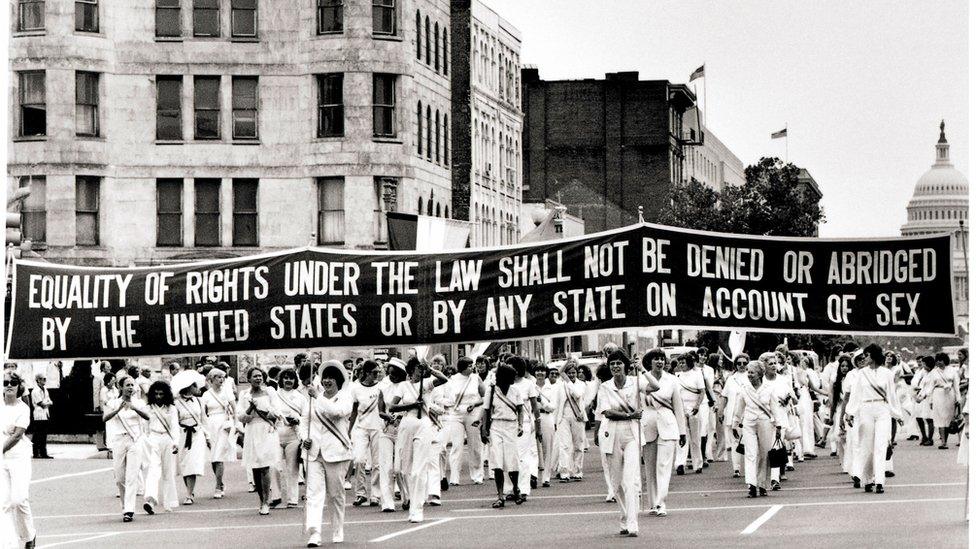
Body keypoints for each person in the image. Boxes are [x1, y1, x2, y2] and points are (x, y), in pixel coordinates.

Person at [597, 350, 652, 537]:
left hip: (632, 434)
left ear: (626, 366)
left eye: (619, 363)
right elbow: (607, 412)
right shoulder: (605, 387)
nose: (615, 367)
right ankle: (624, 517)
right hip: (611, 433)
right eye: (612, 364)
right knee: (616, 483)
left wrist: (642, 369)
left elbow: (656, 387)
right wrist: (630, 414)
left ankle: (633, 523)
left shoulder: (635, 382)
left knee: (630, 480)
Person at [388, 358, 449, 522]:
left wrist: (430, 368)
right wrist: (412, 405)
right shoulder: (403, 386)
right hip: (407, 424)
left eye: (421, 368)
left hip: (423, 425)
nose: (420, 371)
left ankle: (417, 508)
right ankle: (410, 499)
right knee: (404, 469)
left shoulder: (427, 384)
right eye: (417, 368)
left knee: (419, 469)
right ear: (411, 370)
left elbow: (444, 379)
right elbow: (392, 407)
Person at [302, 362, 353, 546]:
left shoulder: (345, 398)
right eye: (325, 377)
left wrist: (317, 397)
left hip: (337, 452)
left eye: (332, 377)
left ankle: (338, 529)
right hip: (314, 453)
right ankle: (314, 533)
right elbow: (305, 420)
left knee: (335, 495)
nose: (327, 380)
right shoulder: (312, 398)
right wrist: (303, 437)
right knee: (314, 493)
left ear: (338, 380)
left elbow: (337, 413)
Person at [847, 344, 902, 493]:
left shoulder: (887, 374)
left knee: (880, 445)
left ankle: (879, 481)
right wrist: (850, 412)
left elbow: (892, 395)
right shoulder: (861, 374)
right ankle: (867, 479)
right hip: (866, 409)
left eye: (867, 355)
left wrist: (897, 414)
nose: (864, 358)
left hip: (882, 410)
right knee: (867, 447)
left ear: (874, 356)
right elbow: (855, 394)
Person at [640, 349, 686, 517]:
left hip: (668, 424)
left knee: (664, 466)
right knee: (650, 467)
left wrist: (682, 431)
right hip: (648, 424)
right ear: (649, 362)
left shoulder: (672, 380)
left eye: (661, 359)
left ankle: (661, 502)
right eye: (655, 359)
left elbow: (678, 407)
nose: (659, 362)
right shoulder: (642, 379)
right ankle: (653, 503)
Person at [733, 360, 783, 498]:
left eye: (752, 372)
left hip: (765, 422)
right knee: (750, 453)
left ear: (760, 373)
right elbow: (739, 408)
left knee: (764, 454)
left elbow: (775, 408)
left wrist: (779, 425)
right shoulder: (744, 388)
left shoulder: (769, 388)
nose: (749, 375)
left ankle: (762, 484)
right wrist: (735, 424)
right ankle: (751, 485)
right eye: (748, 372)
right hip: (749, 423)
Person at [103, 375, 150, 522]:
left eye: (132, 385)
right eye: (128, 385)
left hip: (134, 440)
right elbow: (104, 418)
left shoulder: (139, 402)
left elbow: (147, 417)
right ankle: (125, 505)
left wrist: (134, 408)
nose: (131, 388)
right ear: (121, 387)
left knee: (132, 476)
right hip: (119, 440)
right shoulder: (113, 402)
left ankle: (129, 510)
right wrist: (118, 409)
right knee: (119, 477)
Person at [237, 367, 281, 515]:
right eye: (255, 376)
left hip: (266, 430)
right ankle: (261, 499)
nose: (258, 378)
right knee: (255, 467)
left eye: (260, 376)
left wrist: (266, 410)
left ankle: (266, 501)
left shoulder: (270, 392)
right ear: (249, 379)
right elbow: (241, 417)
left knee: (265, 465)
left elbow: (277, 411)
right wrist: (250, 408)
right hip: (252, 430)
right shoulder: (244, 394)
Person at [480, 362, 524, 509]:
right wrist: (484, 429)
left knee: (513, 459)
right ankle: (500, 496)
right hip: (496, 426)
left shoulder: (515, 390)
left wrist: (520, 424)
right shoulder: (491, 390)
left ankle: (516, 489)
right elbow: (486, 410)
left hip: (511, 426)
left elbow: (520, 409)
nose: (514, 379)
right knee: (497, 461)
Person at [349, 360, 390, 508]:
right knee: (359, 460)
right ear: (365, 373)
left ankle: (376, 495)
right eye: (374, 372)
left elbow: (385, 407)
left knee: (377, 463)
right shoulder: (355, 388)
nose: (377, 375)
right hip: (361, 428)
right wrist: (348, 430)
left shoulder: (382, 387)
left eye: (378, 372)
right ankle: (360, 494)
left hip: (378, 428)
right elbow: (354, 411)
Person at [2, 371, 36, 548]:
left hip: (19, 457)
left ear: (18, 386)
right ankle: (8, 543)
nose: (8, 385)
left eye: (12, 383)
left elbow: (16, 436)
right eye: (5, 382)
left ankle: (29, 535)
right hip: (2, 460)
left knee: (19, 499)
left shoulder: (23, 408)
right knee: (4, 504)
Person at [442, 357, 485, 486]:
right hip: (456, 414)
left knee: (475, 444)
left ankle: (477, 474)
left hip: (473, 412)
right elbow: (446, 398)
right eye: (469, 366)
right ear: (462, 367)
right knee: (457, 445)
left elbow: (484, 397)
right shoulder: (452, 380)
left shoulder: (476, 378)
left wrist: (474, 403)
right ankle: (455, 477)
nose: (472, 368)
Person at [143, 380, 179, 515]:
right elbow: (144, 428)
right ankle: (150, 500)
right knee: (153, 470)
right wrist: (147, 441)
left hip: (167, 439)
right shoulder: (148, 408)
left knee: (168, 471)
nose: (158, 397)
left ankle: (169, 502)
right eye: (156, 394)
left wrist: (176, 441)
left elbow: (175, 426)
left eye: (161, 394)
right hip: (153, 438)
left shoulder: (172, 408)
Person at [271, 368, 306, 508]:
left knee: (292, 469)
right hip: (276, 434)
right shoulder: (274, 395)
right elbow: (270, 413)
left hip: (293, 435)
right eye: (285, 378)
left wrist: (297, 420)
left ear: (295, 380)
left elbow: (306, 417)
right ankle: (276, 497)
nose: (288, 381)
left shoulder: (300, 397)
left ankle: (292, 499)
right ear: (281, 380)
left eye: (291, 378)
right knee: (274, 466)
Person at [173, 378, 209, 505]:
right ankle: (190, 490)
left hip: (197, 434)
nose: (197, 388)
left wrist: (207, 436)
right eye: (194, 385)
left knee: (192, 463)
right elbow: (174, 422)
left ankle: (189, 494)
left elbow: (204, 419)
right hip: (182, 435)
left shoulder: (199, 401)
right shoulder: (176, 403)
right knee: (184, 463)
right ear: (189, 386)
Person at [201, 368, 236, 499]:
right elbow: (203, 414)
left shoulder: (227, 392)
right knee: (213, 457)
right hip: (211, 425)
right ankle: (220, 483)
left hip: (224, 424)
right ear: (211, 380)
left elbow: (234, 409)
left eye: (223, 377)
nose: (221, 380)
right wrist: (204, 430)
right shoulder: (206, 395)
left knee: (219, 455)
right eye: (218, 377)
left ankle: (217, 486)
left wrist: (235, 423)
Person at [554, 359, 587, 481]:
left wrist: (568, 382)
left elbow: (577, 395)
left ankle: (577, 471)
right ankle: (564, 472)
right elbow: (557, 403)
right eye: (569, 373)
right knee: (564, 445)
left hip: (577, 415)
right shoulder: (560, 385)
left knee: (578, 445)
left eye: (574, 373)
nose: (572, 375)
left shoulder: (581, 385)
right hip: (563, 417)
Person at [718, 353, 750, 478]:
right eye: (739, 363)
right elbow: (724, 397)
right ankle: (736, 468)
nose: (742, 365)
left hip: (748, 414)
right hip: (732, 414)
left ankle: (750, 467)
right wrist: (721, 411)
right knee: (735, 442)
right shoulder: (731, 379)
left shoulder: (751, 376)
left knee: (749, 442)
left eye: (744, 363)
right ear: (735, 365)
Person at [675, 353, 705, 475]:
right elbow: (676, 395)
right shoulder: (677, 376)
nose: (681, 365)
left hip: (694, 408)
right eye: (680, 362)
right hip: (681, 409)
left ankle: (698, 464)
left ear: (689, 363)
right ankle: (680, 464)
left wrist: (697, 406)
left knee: (695, 438)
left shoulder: (697, 375)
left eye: (683, 362)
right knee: (682, 436)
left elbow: (702, 392)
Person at [927, 352, 962, 449]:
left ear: (945, 360)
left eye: (941, 360)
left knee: (948, 418)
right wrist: (930, 400)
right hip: (938, 395)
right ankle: (943, 442)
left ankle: (945, 439)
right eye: (937, 360)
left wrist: (958, 398)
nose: (939, 362)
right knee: (940, 418)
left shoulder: (952, 370)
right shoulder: (934, 372)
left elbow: (956, 386)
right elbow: (930, 387)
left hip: (950, 395)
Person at [535, 366, 559, 488]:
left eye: (542, 371)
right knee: (532, 448)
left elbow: (552, 406)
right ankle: (532, 476)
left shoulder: (552, 388)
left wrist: (542, 402)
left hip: (546, 416)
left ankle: (546, 477)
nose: (540, 373)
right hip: (533, 417)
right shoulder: (531, 386)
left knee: (547, 448)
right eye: (538, 371)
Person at [29, 374, 53, 459]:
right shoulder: (35, 391)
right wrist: (46, 403)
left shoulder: (45, 390)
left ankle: (43, 453)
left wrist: (47, 403)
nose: (44, 381)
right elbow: (41, 403)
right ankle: (36, 453)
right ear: (38, 380)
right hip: (38, 414)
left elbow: (50, 401)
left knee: (43, 435)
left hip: (45, 414)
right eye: (43, 379)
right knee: (38, 434)